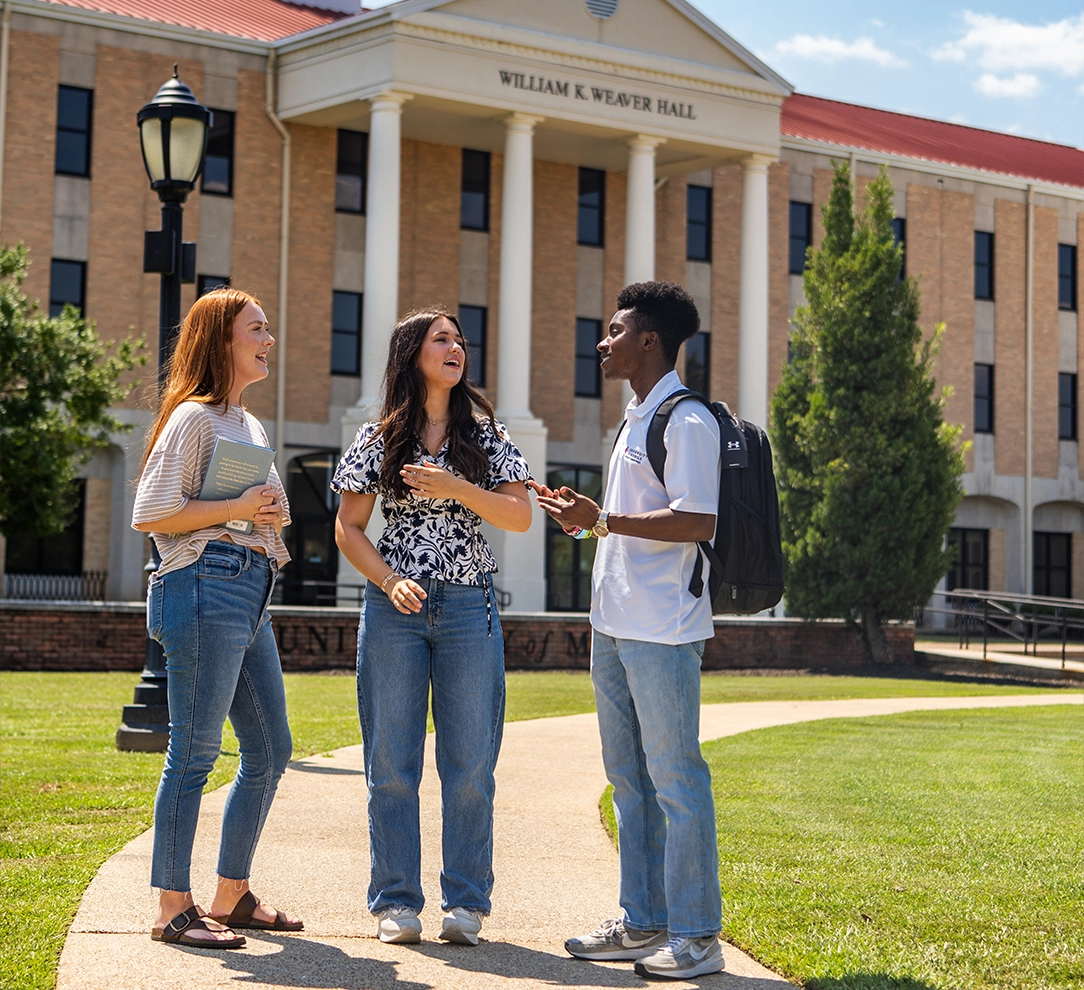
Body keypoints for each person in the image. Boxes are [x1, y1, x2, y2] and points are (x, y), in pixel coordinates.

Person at [532, 281, 724, 980]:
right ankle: (644, 921)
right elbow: (622, 523)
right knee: (630, 780)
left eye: (614, 331)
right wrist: (586, 518)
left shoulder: (687, 420)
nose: (601, 343)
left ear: (650, 340)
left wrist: (603, 519)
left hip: (663, 630)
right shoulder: (633, 421)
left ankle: (698, 937)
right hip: (613, 625)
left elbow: (697, 521)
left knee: (677, 779)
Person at [333, 308, 532, 947]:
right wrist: (390, 581)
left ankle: (466, 904)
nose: (455, 348)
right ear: (412, 352)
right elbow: (349, 528)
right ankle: (396, 901)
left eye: (459, 340)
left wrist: (454, 484)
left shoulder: (488, 435)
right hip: (395, 611)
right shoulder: (378, 437)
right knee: (391, 762)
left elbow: (520, 517)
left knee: (470, 762)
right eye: (440, 338)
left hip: (469, 608)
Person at [132, 288, 302, 949]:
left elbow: (269, 513)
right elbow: (153, 514)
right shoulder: (195, 418)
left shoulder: (250, 426)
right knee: (196, 753)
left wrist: (261, 510)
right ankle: (172, 906)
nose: (268, 339)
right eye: (257, 328)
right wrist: (237, 506)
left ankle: (231, 893)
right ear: (221, 341)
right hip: (202, 587)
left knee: (270, 749)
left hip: (249, 591)